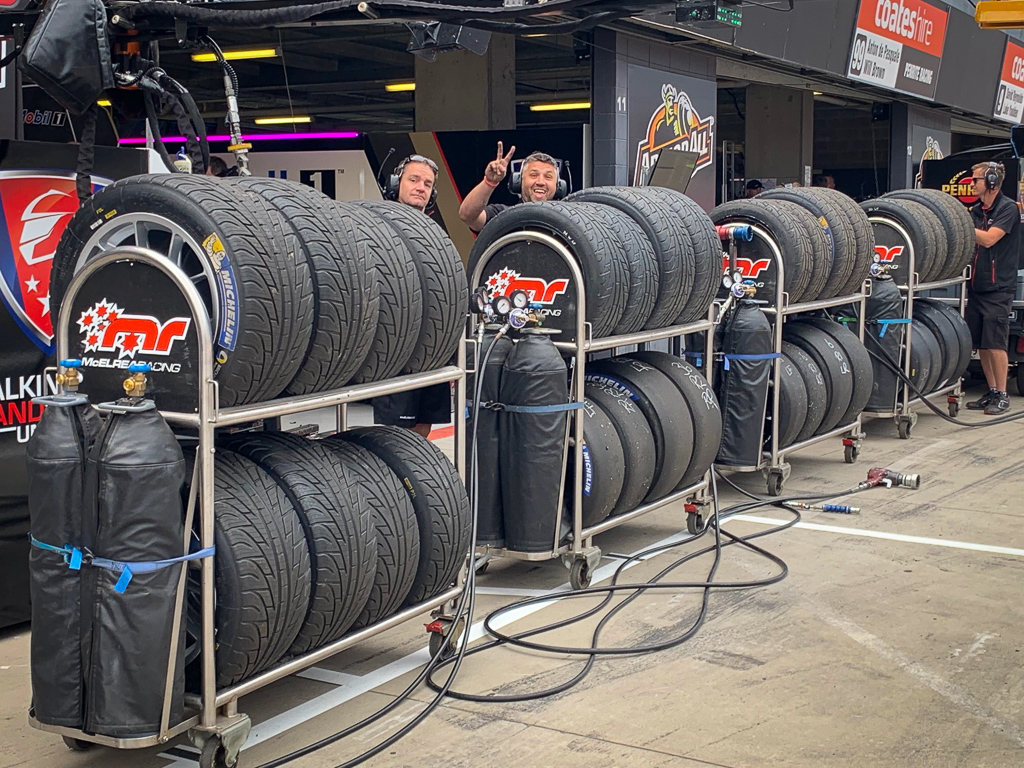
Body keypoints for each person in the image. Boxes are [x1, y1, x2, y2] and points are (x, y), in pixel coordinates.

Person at [373, 154, 451, 438]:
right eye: (414, 180)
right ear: (396, 183)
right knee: (395, 430)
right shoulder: (378, 225)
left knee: (423, 425)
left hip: (430, 346)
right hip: (396, 345)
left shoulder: (434, 231)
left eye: (427, 183)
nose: (421, 187)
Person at [965, 161, 1020, 415]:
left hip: (999, 288)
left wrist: (961, 225)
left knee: (996, 343)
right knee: (983, 344)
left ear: (990, 182)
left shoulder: (1007, 209)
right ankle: (993, 390)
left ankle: (1003, 395)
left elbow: (988, 239)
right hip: (977, 285)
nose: (972, 183)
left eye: (975, 179)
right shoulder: (976, 211)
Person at [459, 142, 560, 232]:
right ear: (519, 180)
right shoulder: (502, 215)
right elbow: (467, 216)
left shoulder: (567, 219)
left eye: (548, 176)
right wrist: (489, 181)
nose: (540, 182)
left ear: (558, 185)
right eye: (533, 175)